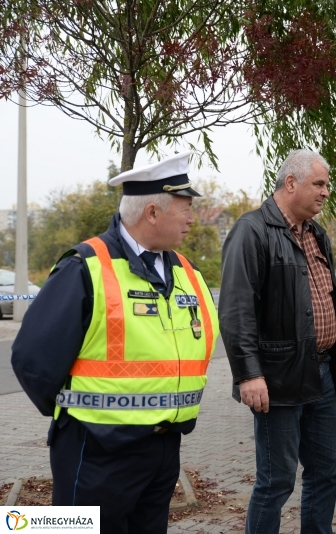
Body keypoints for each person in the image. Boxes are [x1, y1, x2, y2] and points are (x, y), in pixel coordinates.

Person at [11, 151, 220, 534]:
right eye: (185, 208)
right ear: (152, 213)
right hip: (95, 449)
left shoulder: (186, 272)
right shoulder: (85, 267)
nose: (193, 219)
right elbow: (31, 359)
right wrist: (76, 412)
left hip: (162, 448)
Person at [218, 148, 336, 534]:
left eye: (327, 185)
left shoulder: (316, 234)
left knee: (326, 470)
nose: (327, 192)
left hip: (322, 373)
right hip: (276, 380)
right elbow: (235, 310)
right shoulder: (251, 230)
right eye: (319, 183)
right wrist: (248, 375)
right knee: (277, 480)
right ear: (290, 183)